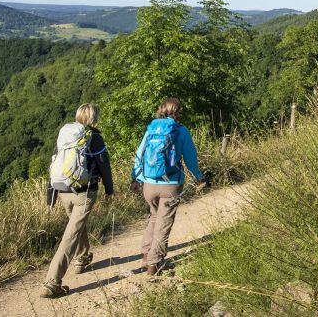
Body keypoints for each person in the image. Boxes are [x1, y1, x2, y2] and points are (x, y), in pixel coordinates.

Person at [41, 103, 114, 298]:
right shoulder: (94, 137)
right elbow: (104, 165)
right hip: (85, 192)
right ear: (94, 118)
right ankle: (52, 282)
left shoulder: (65, 134)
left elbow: (55, 161)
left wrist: (51, 196)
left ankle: (82, 258)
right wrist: (110, 190)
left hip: (63, 190)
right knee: (71, 234)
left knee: (76, 226)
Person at [131, 98, 204, 275]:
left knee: (154, 218)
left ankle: (146, 256)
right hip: (170, 184)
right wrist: (199, 178)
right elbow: (190, 159)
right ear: (177, 112)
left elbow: (139, 154)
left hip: (148, 184)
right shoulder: (181, 131)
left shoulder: (151, 129)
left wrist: (135, 178)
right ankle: (155, 265)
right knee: (164, 224)